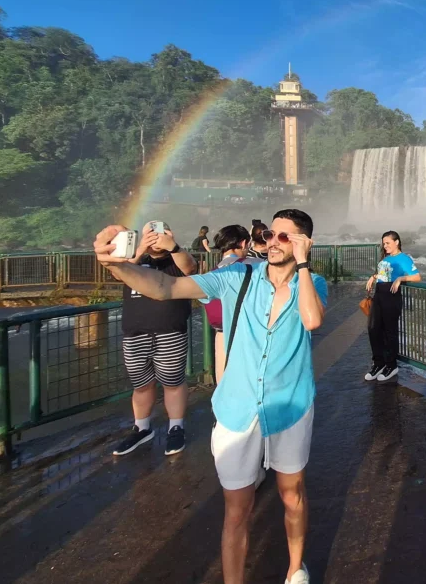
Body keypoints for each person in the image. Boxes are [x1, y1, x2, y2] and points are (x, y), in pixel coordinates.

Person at [93, 209, 327, 584]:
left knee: (292, 494)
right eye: (268, 234)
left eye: (285, 236)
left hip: (291, 405)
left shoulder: (312, 282)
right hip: (237, 407)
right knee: (237, 510)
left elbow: (313, 320)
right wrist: (113, 266)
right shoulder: (237, 276)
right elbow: (166, 288)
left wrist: (301, 265)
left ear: (304, 243)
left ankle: (295, 567)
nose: (272, 242)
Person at [113, 222, 197, 457]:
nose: (155, 238)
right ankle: (141, 428)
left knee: (173, 381)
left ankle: (176, 426)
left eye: (160, 233)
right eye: (150, 233)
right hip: (135, 332)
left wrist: (174, 247)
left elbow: (191, 268)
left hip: (170, 331)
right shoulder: (134, 261)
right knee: (141, 385)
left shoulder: (176, 260)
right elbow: (117, 270)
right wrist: (140, 249)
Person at [206, 225, 264, 385]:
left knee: (225, 383)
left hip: (222, 334)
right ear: (244, 243)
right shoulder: (257, 265)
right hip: (250, 333)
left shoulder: (214, 271)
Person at [364, 231, 421, 382]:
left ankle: (391, 365)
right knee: (373, 329)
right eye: (384, 243)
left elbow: (417, 277)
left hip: (392, 296)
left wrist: (401, 278)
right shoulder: (387, 258)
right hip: (379, 295)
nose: (385, 246)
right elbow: (384, 274)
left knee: (390, 332)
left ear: (397, 242)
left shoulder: (405, 259)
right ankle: (379, 363)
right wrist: (374, 276)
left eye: (388, 242)